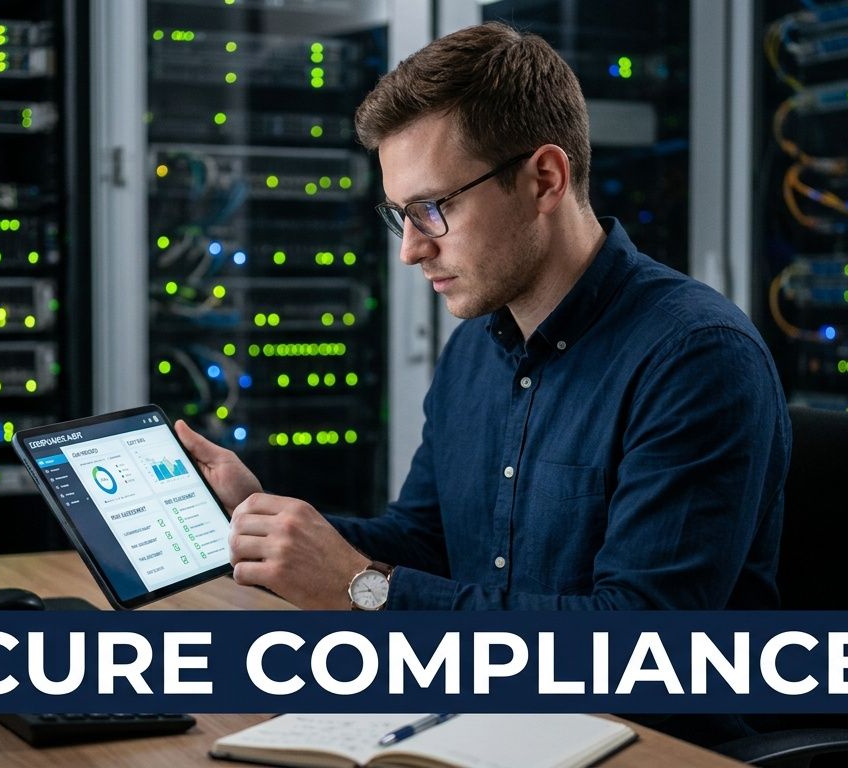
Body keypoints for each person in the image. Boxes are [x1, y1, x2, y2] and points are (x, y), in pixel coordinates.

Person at [177, 21, 788, 627]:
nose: (410, 250)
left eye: (432, 209)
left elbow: (639, 642)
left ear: (544, 180)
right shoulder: (476, 347)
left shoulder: (696, 358)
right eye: (400, 216)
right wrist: (260, 521)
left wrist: (361, 589)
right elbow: (424, 542)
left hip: (645, 726)